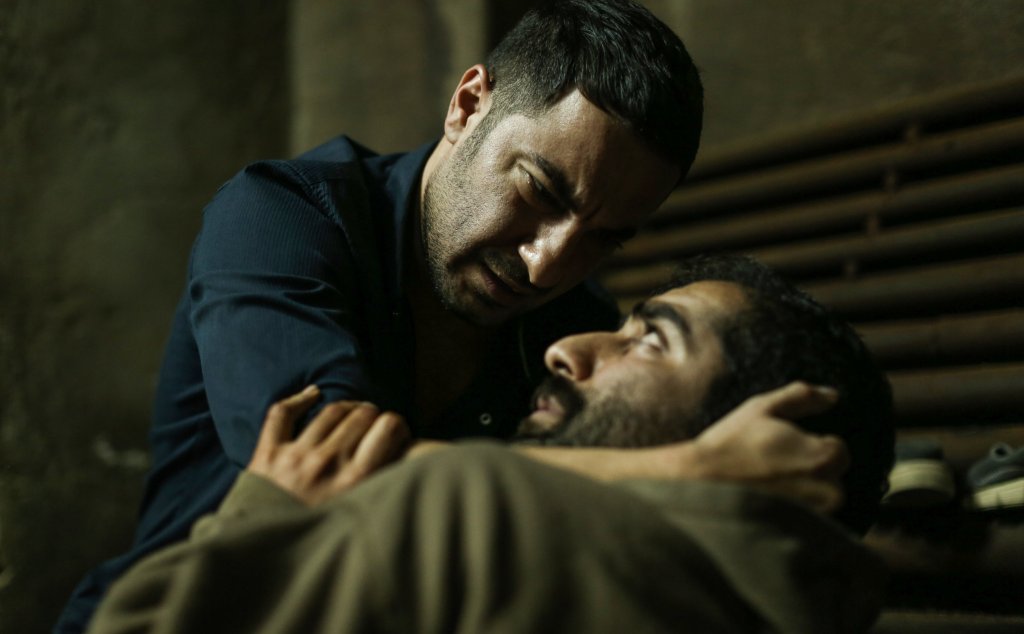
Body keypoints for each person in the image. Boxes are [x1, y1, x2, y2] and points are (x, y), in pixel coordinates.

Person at [87, 255, 895, 633]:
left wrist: (265, 513)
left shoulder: (469, 511)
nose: (567, 347)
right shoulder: (798, 600)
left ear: (753, 434)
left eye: (650, 341)